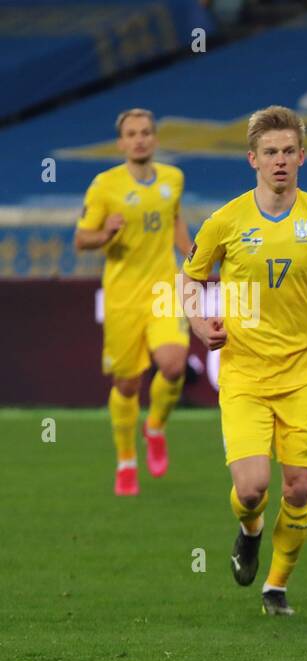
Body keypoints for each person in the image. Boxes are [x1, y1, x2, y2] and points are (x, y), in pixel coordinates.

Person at [182, 105, 307, 616]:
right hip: (244, 371)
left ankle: (275, 586)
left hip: (306, 371)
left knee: (298, 485)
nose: (280, 161)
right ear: (253, 159)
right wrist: (199, 324)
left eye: (289, 151)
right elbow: (191, 279)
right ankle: (249, 530)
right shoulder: (226, 220)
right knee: (252, 489)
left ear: (302, 156)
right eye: (271, 152)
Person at [74, 108, 191, 495]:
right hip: (123, 297)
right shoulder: (104, 186)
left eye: (145, 132)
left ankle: (154, 427)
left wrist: (191, 255)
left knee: (173, 365)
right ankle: (126, 461)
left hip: (162, 289)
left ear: (155, 139)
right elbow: (82, 240)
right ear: (121, 142)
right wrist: (105, 232)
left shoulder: (173, 179)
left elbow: (174, 219)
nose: (139, 139)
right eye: (131, 133)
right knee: (127, 384)